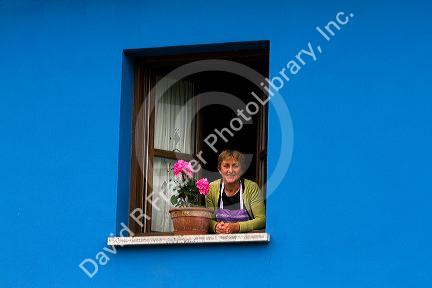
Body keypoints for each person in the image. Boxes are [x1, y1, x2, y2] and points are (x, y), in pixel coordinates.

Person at [205, 150, 266, 233]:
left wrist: (237, 227)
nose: (230, 170)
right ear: (219, 169)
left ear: (242, 169)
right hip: (219, 242)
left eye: (235, 166)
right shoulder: (211, 189)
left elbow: (261, 220)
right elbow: (207, 220)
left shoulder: (251, 188)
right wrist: (215, 226)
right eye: (226, 166)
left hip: (247, 243)